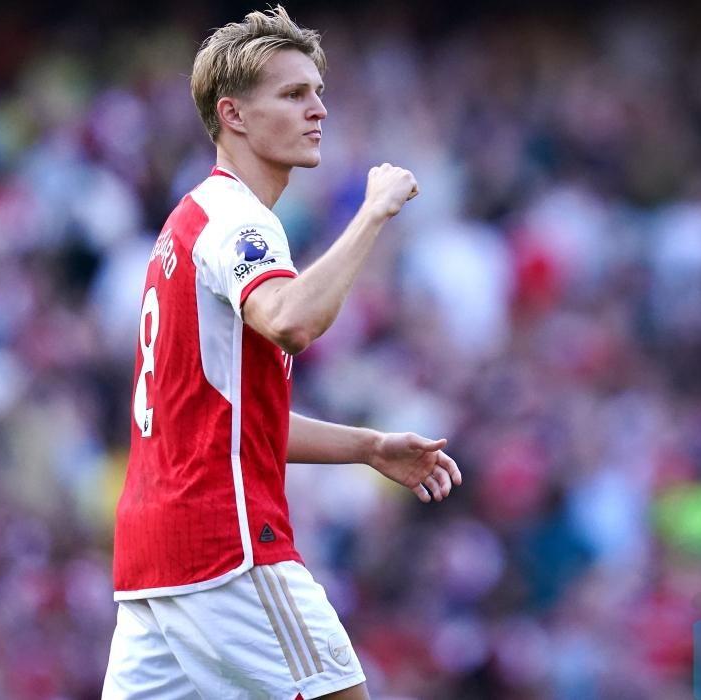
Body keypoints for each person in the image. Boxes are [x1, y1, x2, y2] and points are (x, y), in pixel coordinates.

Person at [102, 7, 462, 699]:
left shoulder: (189, 223)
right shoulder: (236, 219)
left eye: (317, 92)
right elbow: (292, 320)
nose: (318, 109)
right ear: (233, 114)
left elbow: (227, 418)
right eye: (294, 94)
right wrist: (372, 212)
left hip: (158, 556)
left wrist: (368, 447)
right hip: (227, 547)